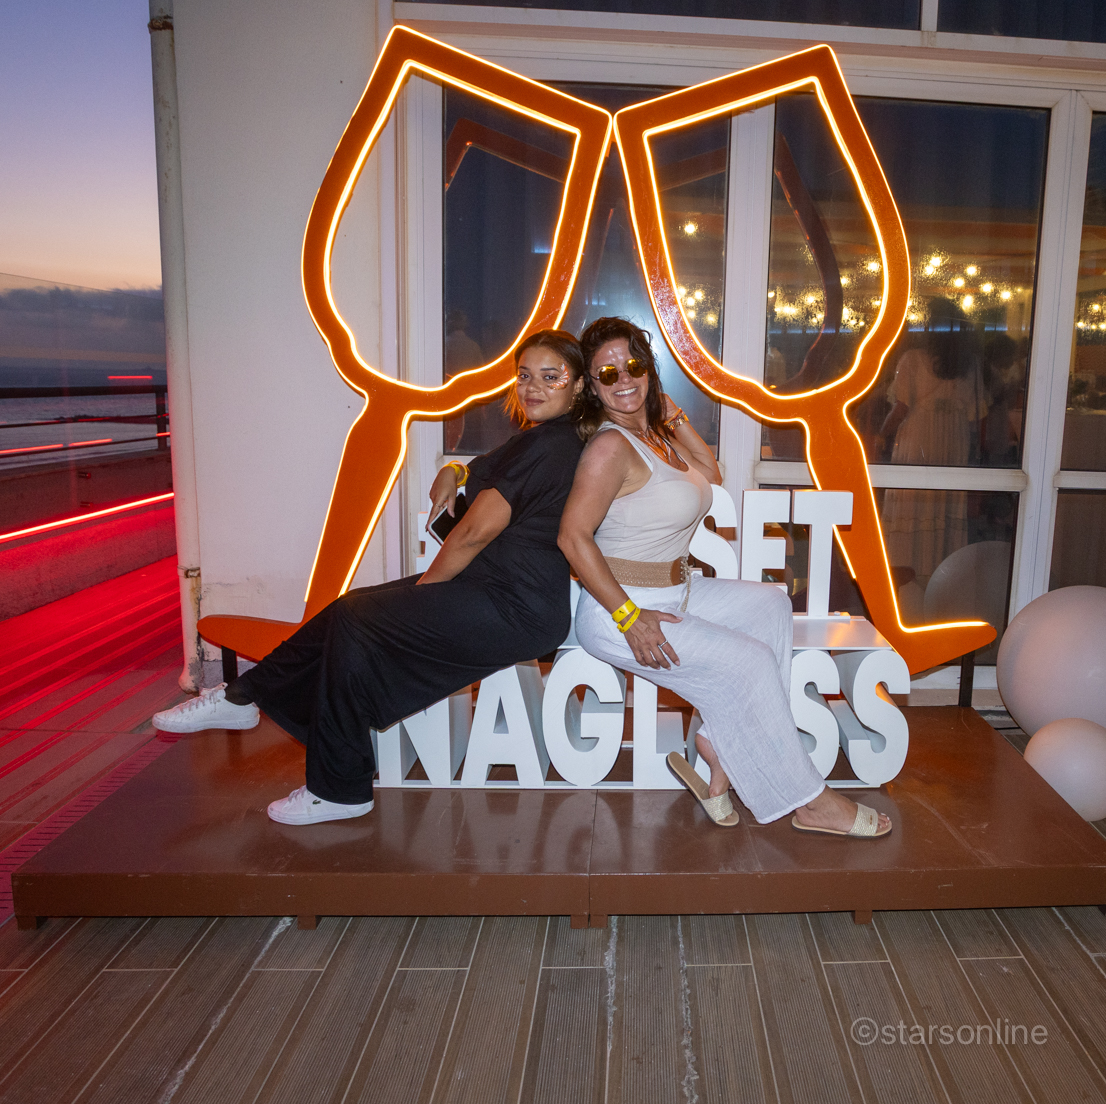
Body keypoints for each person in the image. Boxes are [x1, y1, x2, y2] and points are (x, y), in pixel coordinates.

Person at [152, 330, 587, 825]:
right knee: (348, 611)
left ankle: (334, 783)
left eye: (551, 377)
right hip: (497, 587)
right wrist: (454, 473)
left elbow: (471, 534)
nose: (533, 387)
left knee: (359, 618)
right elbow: (481, 471)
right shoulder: (542, 438)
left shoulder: (554, 444)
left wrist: (424, 596)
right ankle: (245, 699)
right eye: (525, 375)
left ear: (578, 386)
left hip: (517, 607)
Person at [558, 316, 890, 837]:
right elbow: (572, 537)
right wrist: (628, 617)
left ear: (649, 371)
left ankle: (719, 745)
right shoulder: (610, 447)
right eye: (607, 373)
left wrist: (671, 415)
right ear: (593, 387)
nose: (624, 379)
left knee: (771, 604)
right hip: (621, 609)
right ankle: (809, 801)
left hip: (675, 590)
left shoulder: (652, 438)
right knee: (749, 662)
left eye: (634, 365)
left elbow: (710, 475)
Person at [880, 297, 986, 585]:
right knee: (944, 505)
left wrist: (880, 435)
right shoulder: (970, 364)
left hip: (920, 438)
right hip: (954, 441)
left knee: (914, 502)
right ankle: (940, 578)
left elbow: (901, 408)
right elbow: (976, 418)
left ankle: (907, 576)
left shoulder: (912, 359)